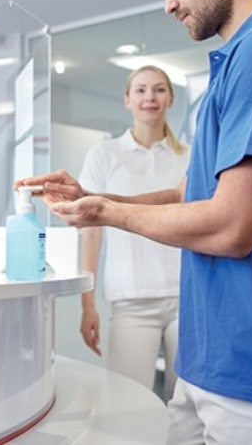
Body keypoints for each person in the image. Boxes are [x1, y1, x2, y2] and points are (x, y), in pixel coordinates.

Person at [16, 0, 252, 442]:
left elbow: (232, 226)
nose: (168, 3)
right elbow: (189, 191)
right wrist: (95, 195)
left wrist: (106, 212)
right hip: (206, 358)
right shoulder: (235, 64)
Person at [79, 65, 190, 401]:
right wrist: (87, 304)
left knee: (188, 403)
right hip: (131, 299)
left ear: (171, 97)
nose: (149, 97)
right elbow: (90, 232)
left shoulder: (190, 155)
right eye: (140, 90)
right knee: (127, 403)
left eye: (158, 89)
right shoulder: (103, 155)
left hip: (187, 296)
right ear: (127, 99)